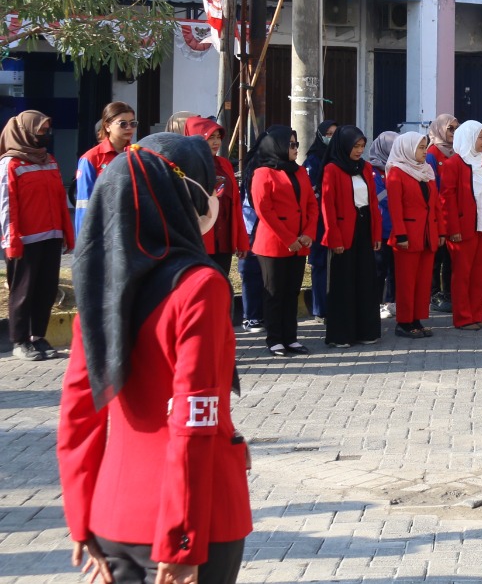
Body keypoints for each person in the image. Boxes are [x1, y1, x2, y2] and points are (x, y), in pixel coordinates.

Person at [58, 132, 251, 584]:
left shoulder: (103, 279)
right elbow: (193, 418)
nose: (216, 198)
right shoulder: (198, 286)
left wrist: (80, 518)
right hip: (194, 520)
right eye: (212, 188)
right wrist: (182, 538)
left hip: (112, 515)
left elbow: (78, 411)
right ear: (185, 196)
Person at [2, 110, 73, 360]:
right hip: (25, 240)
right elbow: (7, 207)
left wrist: (66, 233)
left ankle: (37, 337)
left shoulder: (49, 160)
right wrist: (11, 241)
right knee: (22, 292)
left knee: (46, 289)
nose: (45, 135)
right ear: (25, 132)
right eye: (40, 131)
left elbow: (60, 200)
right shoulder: (10, 164)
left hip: (51, 236)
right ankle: (19, 341)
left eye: (46, 130)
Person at [247, 126, 316, 356]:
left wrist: (308, 233)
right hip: (274, 244)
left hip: (299, 243)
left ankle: (291, 338)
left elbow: (311, 205)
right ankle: (275, 339)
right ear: (277, 146)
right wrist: (288, 238)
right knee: (274, 292)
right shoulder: (262, 173)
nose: (295, 149)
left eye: (296, 144)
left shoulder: (300, 172)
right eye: (291, 144)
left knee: (291, 291)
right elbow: (264, 210)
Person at [320, 125, 382, 347]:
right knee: (342, 283)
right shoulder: (332, 169)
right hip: (343, 230)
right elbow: (328, 206)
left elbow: (373, 201)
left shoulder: (364, 168)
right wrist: (334, 238)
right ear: (345, 145)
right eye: (355, 146)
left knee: (365, 280)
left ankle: (366, 331)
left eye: (362, 146)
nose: (359, 151)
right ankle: (341, 335)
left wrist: (376, 233)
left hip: (364, 227)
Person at [385, 132, 443, 339]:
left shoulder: (426, 171)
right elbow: (395, 207)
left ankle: (417, 319)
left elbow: (435, 204)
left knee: (423, 281)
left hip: (427, 234)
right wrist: (400, 234)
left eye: (425, 146)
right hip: (407, 236)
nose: (424, 151)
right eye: (420, 147)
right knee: (407, 282)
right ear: (407, 148)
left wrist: (441, 230)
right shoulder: (397, 172)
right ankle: (404, 322)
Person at [440, 120, 482, 330]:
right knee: (462, 273)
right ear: (469, 138)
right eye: (480, 137)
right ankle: (463, 317)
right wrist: (452, 228)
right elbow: (446, 199)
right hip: (463, 228)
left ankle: (476, 315)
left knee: (480, 273)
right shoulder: (453, 164)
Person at [183, 118, 249, 293]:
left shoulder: (224, 164)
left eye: (218, 137)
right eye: (210, 137)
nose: (216, 142)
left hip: (224, 240)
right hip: (200, 241)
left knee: (220, 288)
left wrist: (241, 241)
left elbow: (235, 204)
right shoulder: (185, 166)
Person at [75, 101, 137, 233]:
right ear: (107, 126)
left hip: (132, 229)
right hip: (103, 230)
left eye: (133, 123)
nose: (129, 128)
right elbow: (84, 203)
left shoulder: (138, 155)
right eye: (123, 124)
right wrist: (85, 239)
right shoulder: (91, 158)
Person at [300, 119, 339, 321]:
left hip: (336, 219)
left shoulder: (340, 157)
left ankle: (336, 306)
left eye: (335, 133)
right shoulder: (313, 161)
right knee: (320, 264)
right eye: (328, 133)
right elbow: (309, 192)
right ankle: (320, 309)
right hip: (318, 220)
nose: (331, 137)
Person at [424, 114, 459, 316]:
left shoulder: (456, 152)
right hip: (437, 214)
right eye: (450, 129)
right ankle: (434, 294)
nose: (454, 133)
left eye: (456, 128)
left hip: (452, 213)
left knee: (449, 257)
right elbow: (433, 188)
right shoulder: (432, 153)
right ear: (439, 130)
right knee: (437, 256)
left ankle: (448, 293)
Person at [363, 132, 398, 321]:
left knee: (395, 269)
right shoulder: (371, 170)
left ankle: (391, 301)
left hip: (395, 228)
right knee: (378, 269)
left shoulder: (397, 169)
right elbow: (378, 198)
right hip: (380, 228)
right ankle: (374, 304)